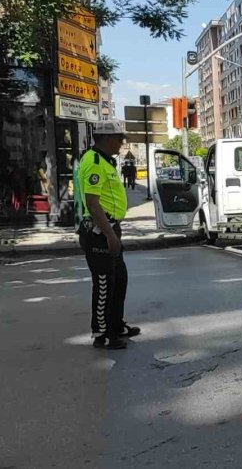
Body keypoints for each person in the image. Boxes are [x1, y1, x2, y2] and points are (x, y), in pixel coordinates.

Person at [77, 120, 140, 350]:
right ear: (105, 139)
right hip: (99, 231)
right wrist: (110, 236)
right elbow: (93, 204)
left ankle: (116, 325)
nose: (122, 143)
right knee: (104, 284)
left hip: (110, 228)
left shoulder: (105, 161)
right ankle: (102, 334)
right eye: (118, 138)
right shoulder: (94, 162)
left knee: (119, 279)